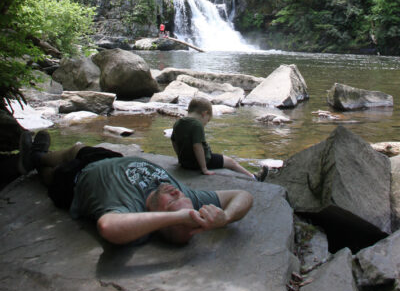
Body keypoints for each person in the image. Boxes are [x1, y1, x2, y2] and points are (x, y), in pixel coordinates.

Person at [19, 132, 253, 246]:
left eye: (172, 202)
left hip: (74, 178)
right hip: (112, 158)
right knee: (77, 148)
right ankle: (39, 156)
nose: (175, 191)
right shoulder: (189, 198)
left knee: (50, 175)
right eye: (180, 196)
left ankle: (36, 160)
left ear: (157, 218)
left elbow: (108, 227)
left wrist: (180, 216)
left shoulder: (130, 209)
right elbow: (244, 195)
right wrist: (225, 217)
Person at [171, 96, 268, 181]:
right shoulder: (197, 125)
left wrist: (180, 157)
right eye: (207, 120)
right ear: (204, 114)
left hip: (185, 162)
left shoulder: (178, 122)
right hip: (202, 161)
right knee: (231, 162)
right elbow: (197, 146)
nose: (205, 124)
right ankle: (253, 177)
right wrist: (204, 168)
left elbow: (174, 141)